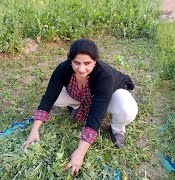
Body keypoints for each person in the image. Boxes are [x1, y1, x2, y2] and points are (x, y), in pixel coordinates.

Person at [21, 38, 138, 174]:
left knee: (127, 109)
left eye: (87, 63)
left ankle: (117, 128)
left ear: (95, 62)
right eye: (76, 63)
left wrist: (80, 153)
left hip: (112, 93)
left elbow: (96, 116)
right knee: (56, 98)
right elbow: (48, 97)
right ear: (70, 61)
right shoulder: (63, 69)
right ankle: (77, 107)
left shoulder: (104, 75)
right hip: (83, 94)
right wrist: (34, 130)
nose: (81, 69)